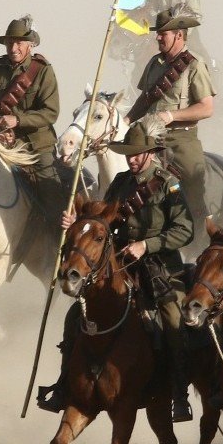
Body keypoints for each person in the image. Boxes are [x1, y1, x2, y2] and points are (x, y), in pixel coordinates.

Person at [37, 122, 195, 422]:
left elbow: (185, 229)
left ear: (150, 153)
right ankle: (63, 385)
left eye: (137, 154)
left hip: (159, 264)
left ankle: (178, 393)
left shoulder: (167, 183)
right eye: (129, 154)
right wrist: (78, 221)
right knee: (75, 316)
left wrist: (147, 245)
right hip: (118, 261)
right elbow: (101, 217)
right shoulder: (122, 182)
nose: (132, 159)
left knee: (172, 318)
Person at [131, 4, 216, 229]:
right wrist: (126, 120)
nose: (158, 37)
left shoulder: (194, 65)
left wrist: (171, 115)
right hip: (149, 140)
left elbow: (206, 107)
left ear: (179, 35)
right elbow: (145, 99)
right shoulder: (153, 63)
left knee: (194, 182)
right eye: (158, 33)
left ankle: (198, 231)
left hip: (181, 140)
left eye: (163, 33)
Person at [0, 14, 64, 227]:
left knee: (51, 193)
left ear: (29, 45)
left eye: (19, 42)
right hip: (0, 141)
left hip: (35, 145)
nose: (13, 47)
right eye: (9, 42)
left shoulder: (43, 70)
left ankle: (57, 243)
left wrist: (17, 120)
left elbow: (50, 113)